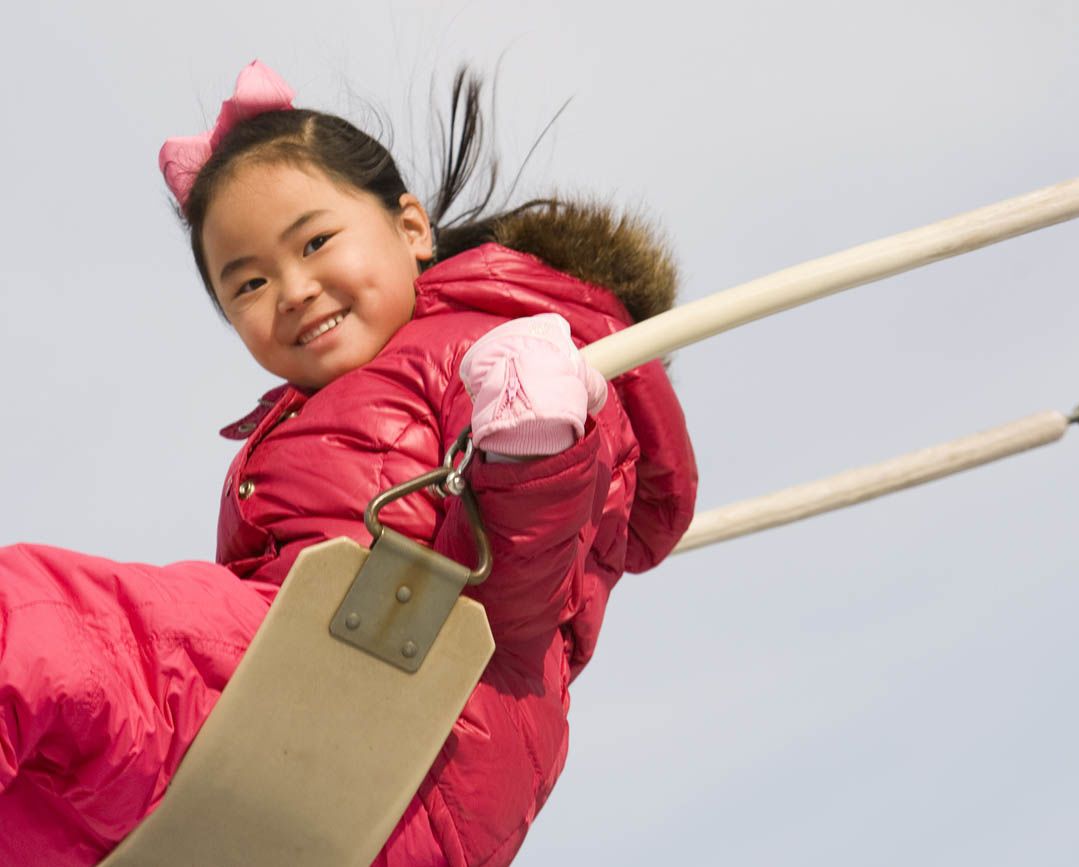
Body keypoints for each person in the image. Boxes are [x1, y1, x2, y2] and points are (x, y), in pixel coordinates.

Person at [0, 60, 696, 866]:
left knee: (35, 624)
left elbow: (521, 599)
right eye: (250, 283)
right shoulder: (299, 418)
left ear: (409, 228)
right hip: (335, 771)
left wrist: (532, 442)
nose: (292, 289)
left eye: (316, 242)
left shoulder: (502, 343)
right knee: (34, 804)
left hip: (405, 717)